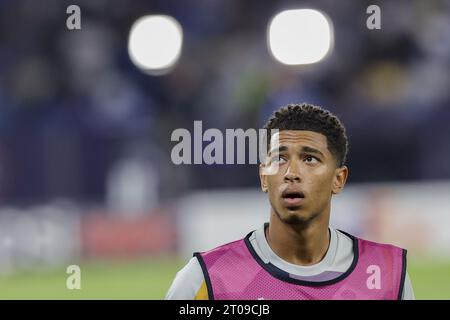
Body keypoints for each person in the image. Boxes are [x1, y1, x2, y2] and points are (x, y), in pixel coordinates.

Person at [165, 103, 414, 300]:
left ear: (338, 179)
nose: (291, 172)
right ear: (264, 177)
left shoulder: (388, 275)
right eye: (279, 159)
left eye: (309, 159)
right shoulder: (207, 279)